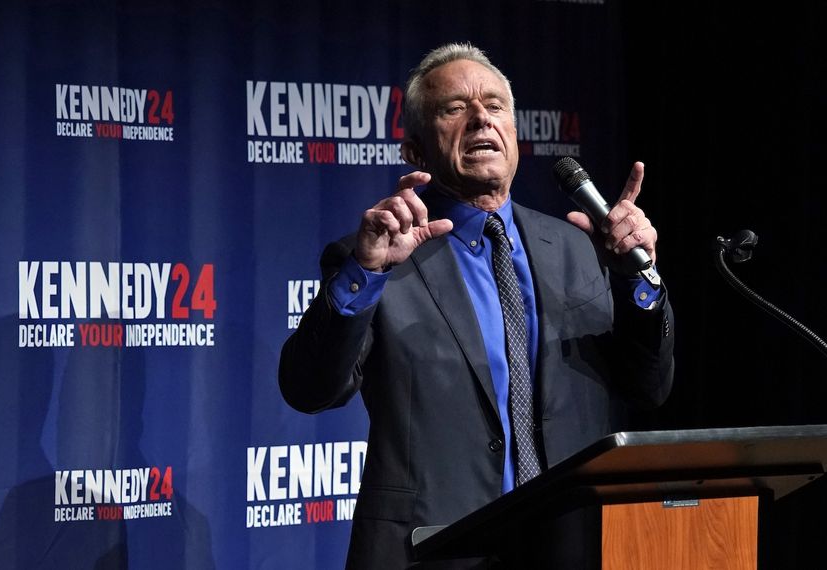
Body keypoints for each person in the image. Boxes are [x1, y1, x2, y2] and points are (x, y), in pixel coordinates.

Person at [279, 42, 674, 569]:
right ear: (416, 151)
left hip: (570, 545)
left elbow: (648, 386)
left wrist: (638, 281)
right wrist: (367, 272)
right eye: (454, 109)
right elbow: (309, 389)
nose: (480, 119)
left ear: (514, 133)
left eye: (495, 105)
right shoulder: (377, 256)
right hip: (435, 551)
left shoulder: (579, 247)